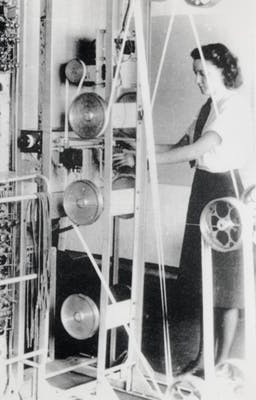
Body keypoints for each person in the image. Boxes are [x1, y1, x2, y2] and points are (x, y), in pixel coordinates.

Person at [115, 43, 252, 371]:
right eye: (195, 74)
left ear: (223, 70)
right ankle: (203, 357)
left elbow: (201, 148)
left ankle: (220, 362)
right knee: (204, 277)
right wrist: (137, 146)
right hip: (203, 190)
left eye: (202, 74)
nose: (198, 80)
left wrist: (144, 160)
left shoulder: (233, 106)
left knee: (226, 283)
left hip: (224, 195)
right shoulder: (209, 105)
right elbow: (180, 146)